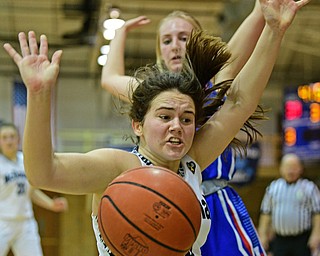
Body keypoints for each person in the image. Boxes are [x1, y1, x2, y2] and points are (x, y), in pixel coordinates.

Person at [3, 0, 310, 255]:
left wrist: (273, 30)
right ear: (137, 124)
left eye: (187, 119)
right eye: (164, 117)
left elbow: (238, 103)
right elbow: (44, 172)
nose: (177, 126)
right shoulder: (121, 167)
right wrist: (39, 95)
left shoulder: (191, 164)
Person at [101, 1, 268, 255]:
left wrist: (260, 12)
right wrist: (120, 32)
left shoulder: (214, 80)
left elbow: (234, 53)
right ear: (159, 50)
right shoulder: (152, 94)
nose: (175, 45)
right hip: (166, 204)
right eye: (166, 40)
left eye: (183, 37)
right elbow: (109, 78)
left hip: (215, 200)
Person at [0, 123, 68, 256]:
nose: (9, 141)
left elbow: (30, 191)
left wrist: (51, 204)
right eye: (4, 137)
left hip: (25, 223)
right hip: (2, 221)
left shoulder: (25, 161)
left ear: (18, 139)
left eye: (12, 136)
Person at [258, 153, 320, 256]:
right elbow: (265, 213)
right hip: (279, 240)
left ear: (300, 169)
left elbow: (317, 214)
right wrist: (263, 235)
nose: (291, 171)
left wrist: (316, 234)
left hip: (302, 239)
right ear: (281, 169)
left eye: (294, 167)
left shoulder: (310, 188)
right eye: (287, 167)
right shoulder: (273, 188)